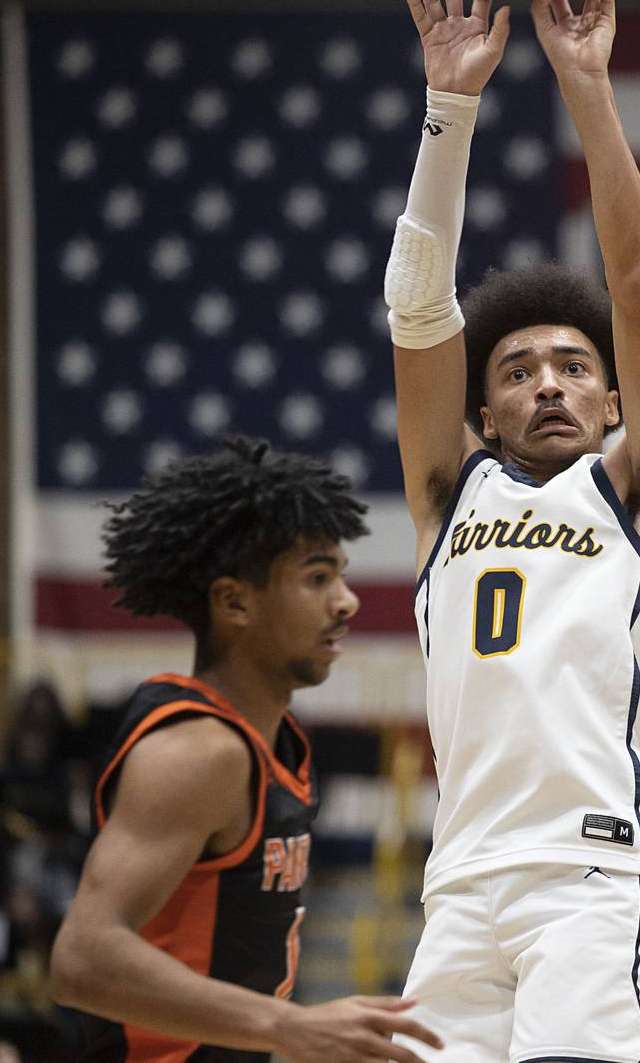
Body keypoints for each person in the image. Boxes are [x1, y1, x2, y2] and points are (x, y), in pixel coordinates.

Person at [385, 0, 640, 1063]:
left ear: (614, 399)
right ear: (479, 414)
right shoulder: (447, 493)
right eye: (516, 370)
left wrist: (585, 85)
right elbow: (416, 305)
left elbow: (636, 288)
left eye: (573, 367)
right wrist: (449, 107)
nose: (548, 383)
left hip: (593, 871)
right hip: (461, 881)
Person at [50, 434, 443, 1063]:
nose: (348, 601)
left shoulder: (274, 744)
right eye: (318, 578)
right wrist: (290, 1026)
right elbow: (83, 957)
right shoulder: (200, 750)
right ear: (234, 601)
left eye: (341, 576)